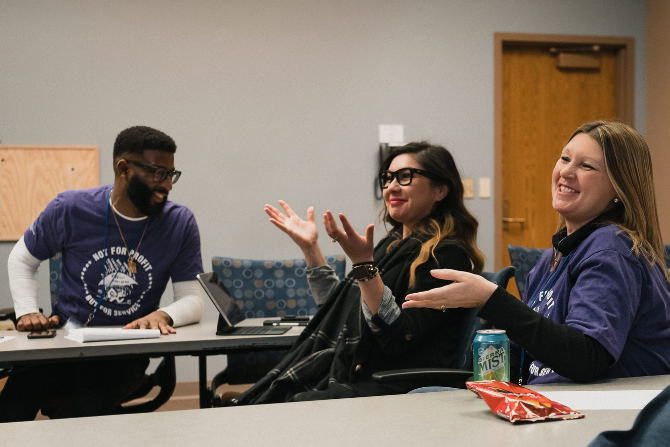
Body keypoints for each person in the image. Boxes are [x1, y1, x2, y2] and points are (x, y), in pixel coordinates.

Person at [404, 121, 670, 385]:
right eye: (565, 158)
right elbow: (531, 352)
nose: (566, 171)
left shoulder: (613, 248)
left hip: (607, 415)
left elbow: (586, 357)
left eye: (586, 165)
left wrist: (491, 299)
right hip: (548, 405)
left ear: (620, 187)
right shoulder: (551, 259)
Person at [231, 141, 485, 405]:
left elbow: (399, 336)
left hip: (397, 387)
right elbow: (346, 310)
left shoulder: (444, 254)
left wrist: (364, 266)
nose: (391, 187)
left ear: (441, 189)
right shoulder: (393, 244)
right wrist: (311, 249)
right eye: (387, 179)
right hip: (364, 374)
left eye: (405, 177)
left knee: (282, 405)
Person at [0, 126, 204, 421]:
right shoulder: (70, 209)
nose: (167, 185)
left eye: (171, 174)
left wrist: (165, 315)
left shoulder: (179, 223)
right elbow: (22, 259)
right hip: (64, 342)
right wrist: (27, 311)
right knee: (11, 407)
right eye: (158, 173)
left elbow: (192, 299)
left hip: (124, 351)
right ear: (124, 168)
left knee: (87, 406)